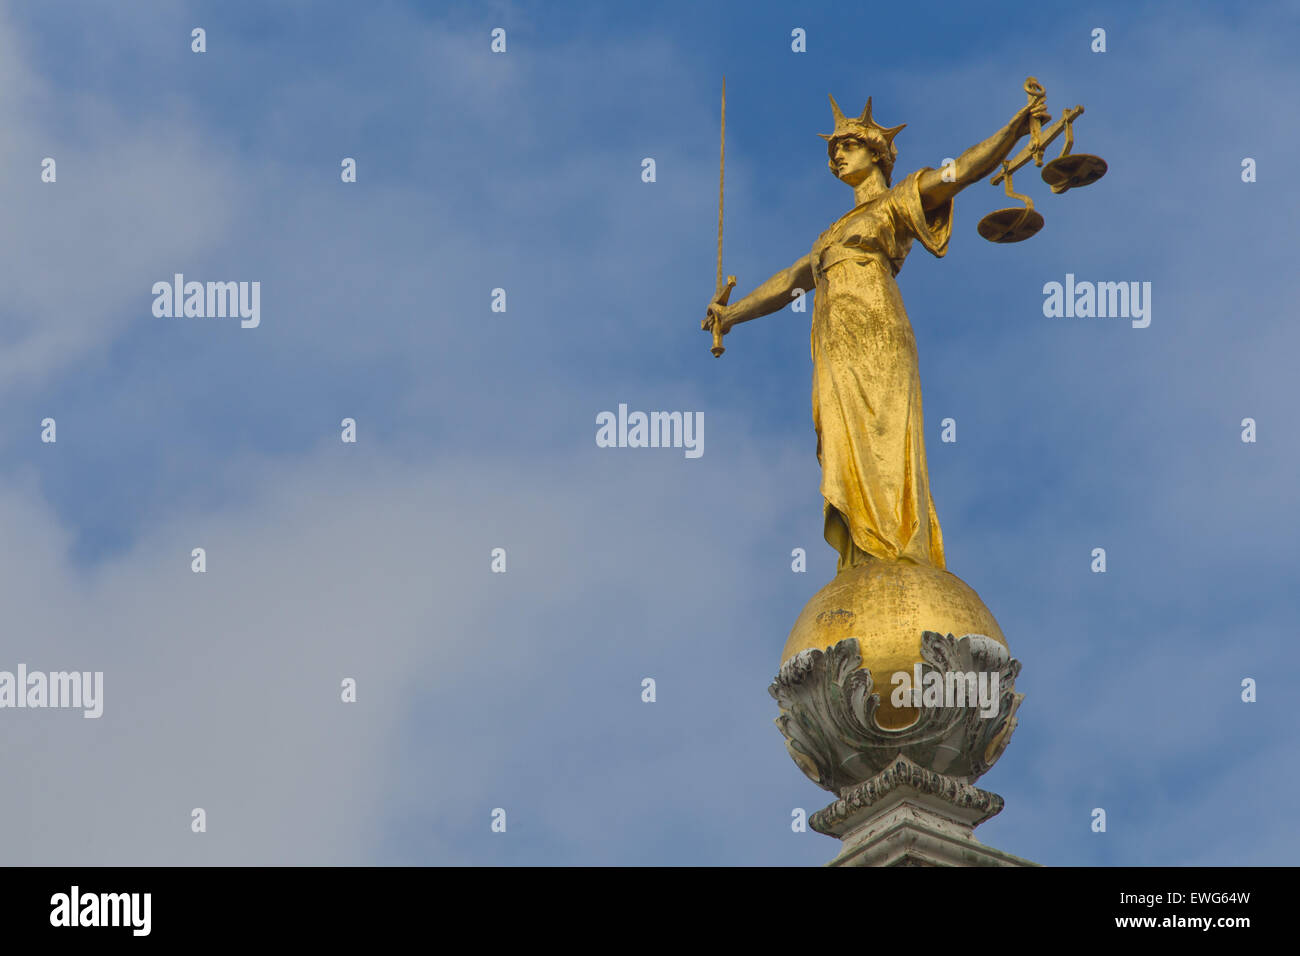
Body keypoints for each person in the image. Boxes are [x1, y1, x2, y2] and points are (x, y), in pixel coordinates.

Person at [705, 94, 1049, 573]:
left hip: (877, 329)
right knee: (845, 439)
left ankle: (898, 543)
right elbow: (788, 282)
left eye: (847, 146)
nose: (837, 156)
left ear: (877, 154)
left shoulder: (895, 202)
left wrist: (1014, 131)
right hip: (835, 339)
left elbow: (961, 172)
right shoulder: (828, 235)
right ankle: (864, 551)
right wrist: (731, 315)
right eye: (833, 151)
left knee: (886, 432)